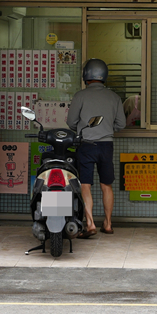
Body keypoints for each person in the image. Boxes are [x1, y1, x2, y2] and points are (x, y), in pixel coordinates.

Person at [67, 59, 125, 237]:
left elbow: (70, 122)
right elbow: (121, 124)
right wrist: (107, 129)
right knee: (106, 185)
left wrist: (82, 129)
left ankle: (90, 223)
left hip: (86, 145)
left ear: (86, 76)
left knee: (85, 185)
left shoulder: (80, 96)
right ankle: (107, 223)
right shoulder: (114, 97)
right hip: (106, 146)